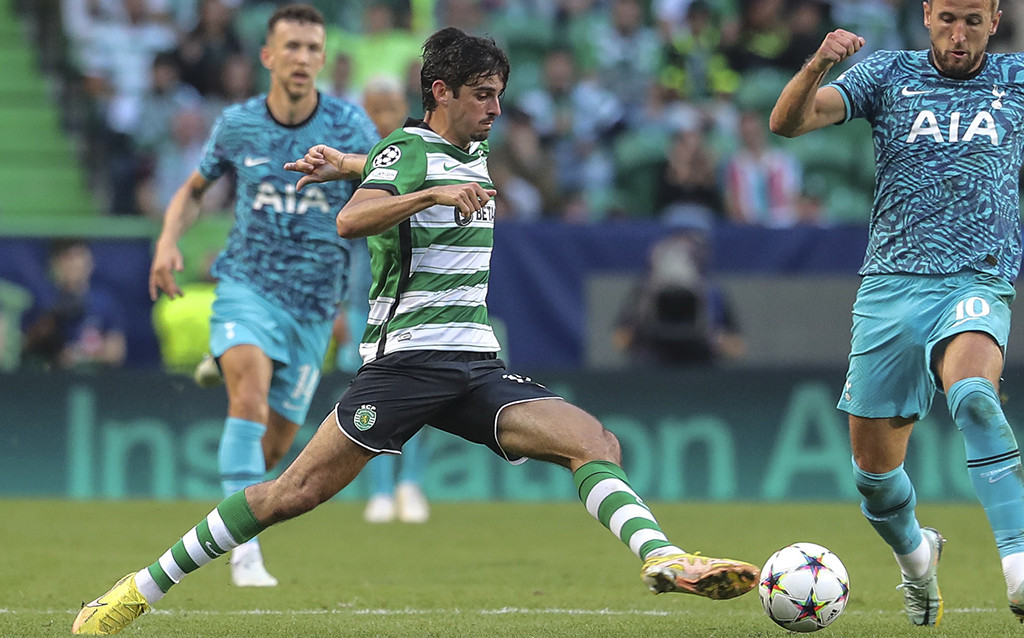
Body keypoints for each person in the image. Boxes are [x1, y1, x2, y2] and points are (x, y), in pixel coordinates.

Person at [72, 26, 759, 636]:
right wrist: (423, 193)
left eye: (499, 94)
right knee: (291, 494)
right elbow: (354, 217)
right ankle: (140, 588)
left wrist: (344, 163)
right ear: (442, 90)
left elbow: (382, 166)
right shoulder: (413, 153)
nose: (496, 108)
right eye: (484, 94)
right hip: (406, 366)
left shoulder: (454, 149)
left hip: (474, 367)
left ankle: (664, 559)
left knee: (592, 440)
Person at [768, 0, 1024, 630]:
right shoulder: (886, 75)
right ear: (927, 14)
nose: (957, 34)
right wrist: (818, 65)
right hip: (889, 285)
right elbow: (788, 123)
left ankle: (1022, 574)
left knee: (974, 394)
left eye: (971, 20)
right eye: (945, 18)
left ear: (994, 19)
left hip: (976, 278)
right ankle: (918, 558)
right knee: (876, 481)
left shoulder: (1023, 78)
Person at [144, 4, 377, 588]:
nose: (301, 58)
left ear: (323, 59)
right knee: (246, 398)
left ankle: (222, 362)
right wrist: (168, 241)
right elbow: (194, 189)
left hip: (314, 308)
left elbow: (384, 191)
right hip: (247, 284)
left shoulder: (350, 127)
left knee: (272, 450)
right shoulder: (238, 124)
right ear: (268, 57)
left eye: (312, 48)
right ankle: (243, 555)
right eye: (291, 47)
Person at [347, 75, 432, 525]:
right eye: (373, 109)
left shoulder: (420, 153)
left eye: (389, 108)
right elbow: (342, 241)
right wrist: (341, 307)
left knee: (422, 394)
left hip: (421, 296)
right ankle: (379, 489)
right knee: (372, 398)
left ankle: (410, 483)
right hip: (369, 302)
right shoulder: (363, 164)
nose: (382, 118)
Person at [612, 222, 744, 366]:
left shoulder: (712, 293)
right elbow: (619, 342)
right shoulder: (643, 292)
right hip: (652, 369)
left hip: (699, 368)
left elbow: (738, 347)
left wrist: (713, 337)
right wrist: (642, 326)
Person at [22, 240, 126, 370]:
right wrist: (49, 323)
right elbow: (24, 345)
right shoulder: (45, 300)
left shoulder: (103, 302)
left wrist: (79, 355)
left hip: (96, 379)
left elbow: (116, 352)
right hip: (54, 378)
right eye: (67, 257)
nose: (73, 264)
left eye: (79, 256)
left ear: (90, 262)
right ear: (56, 263)